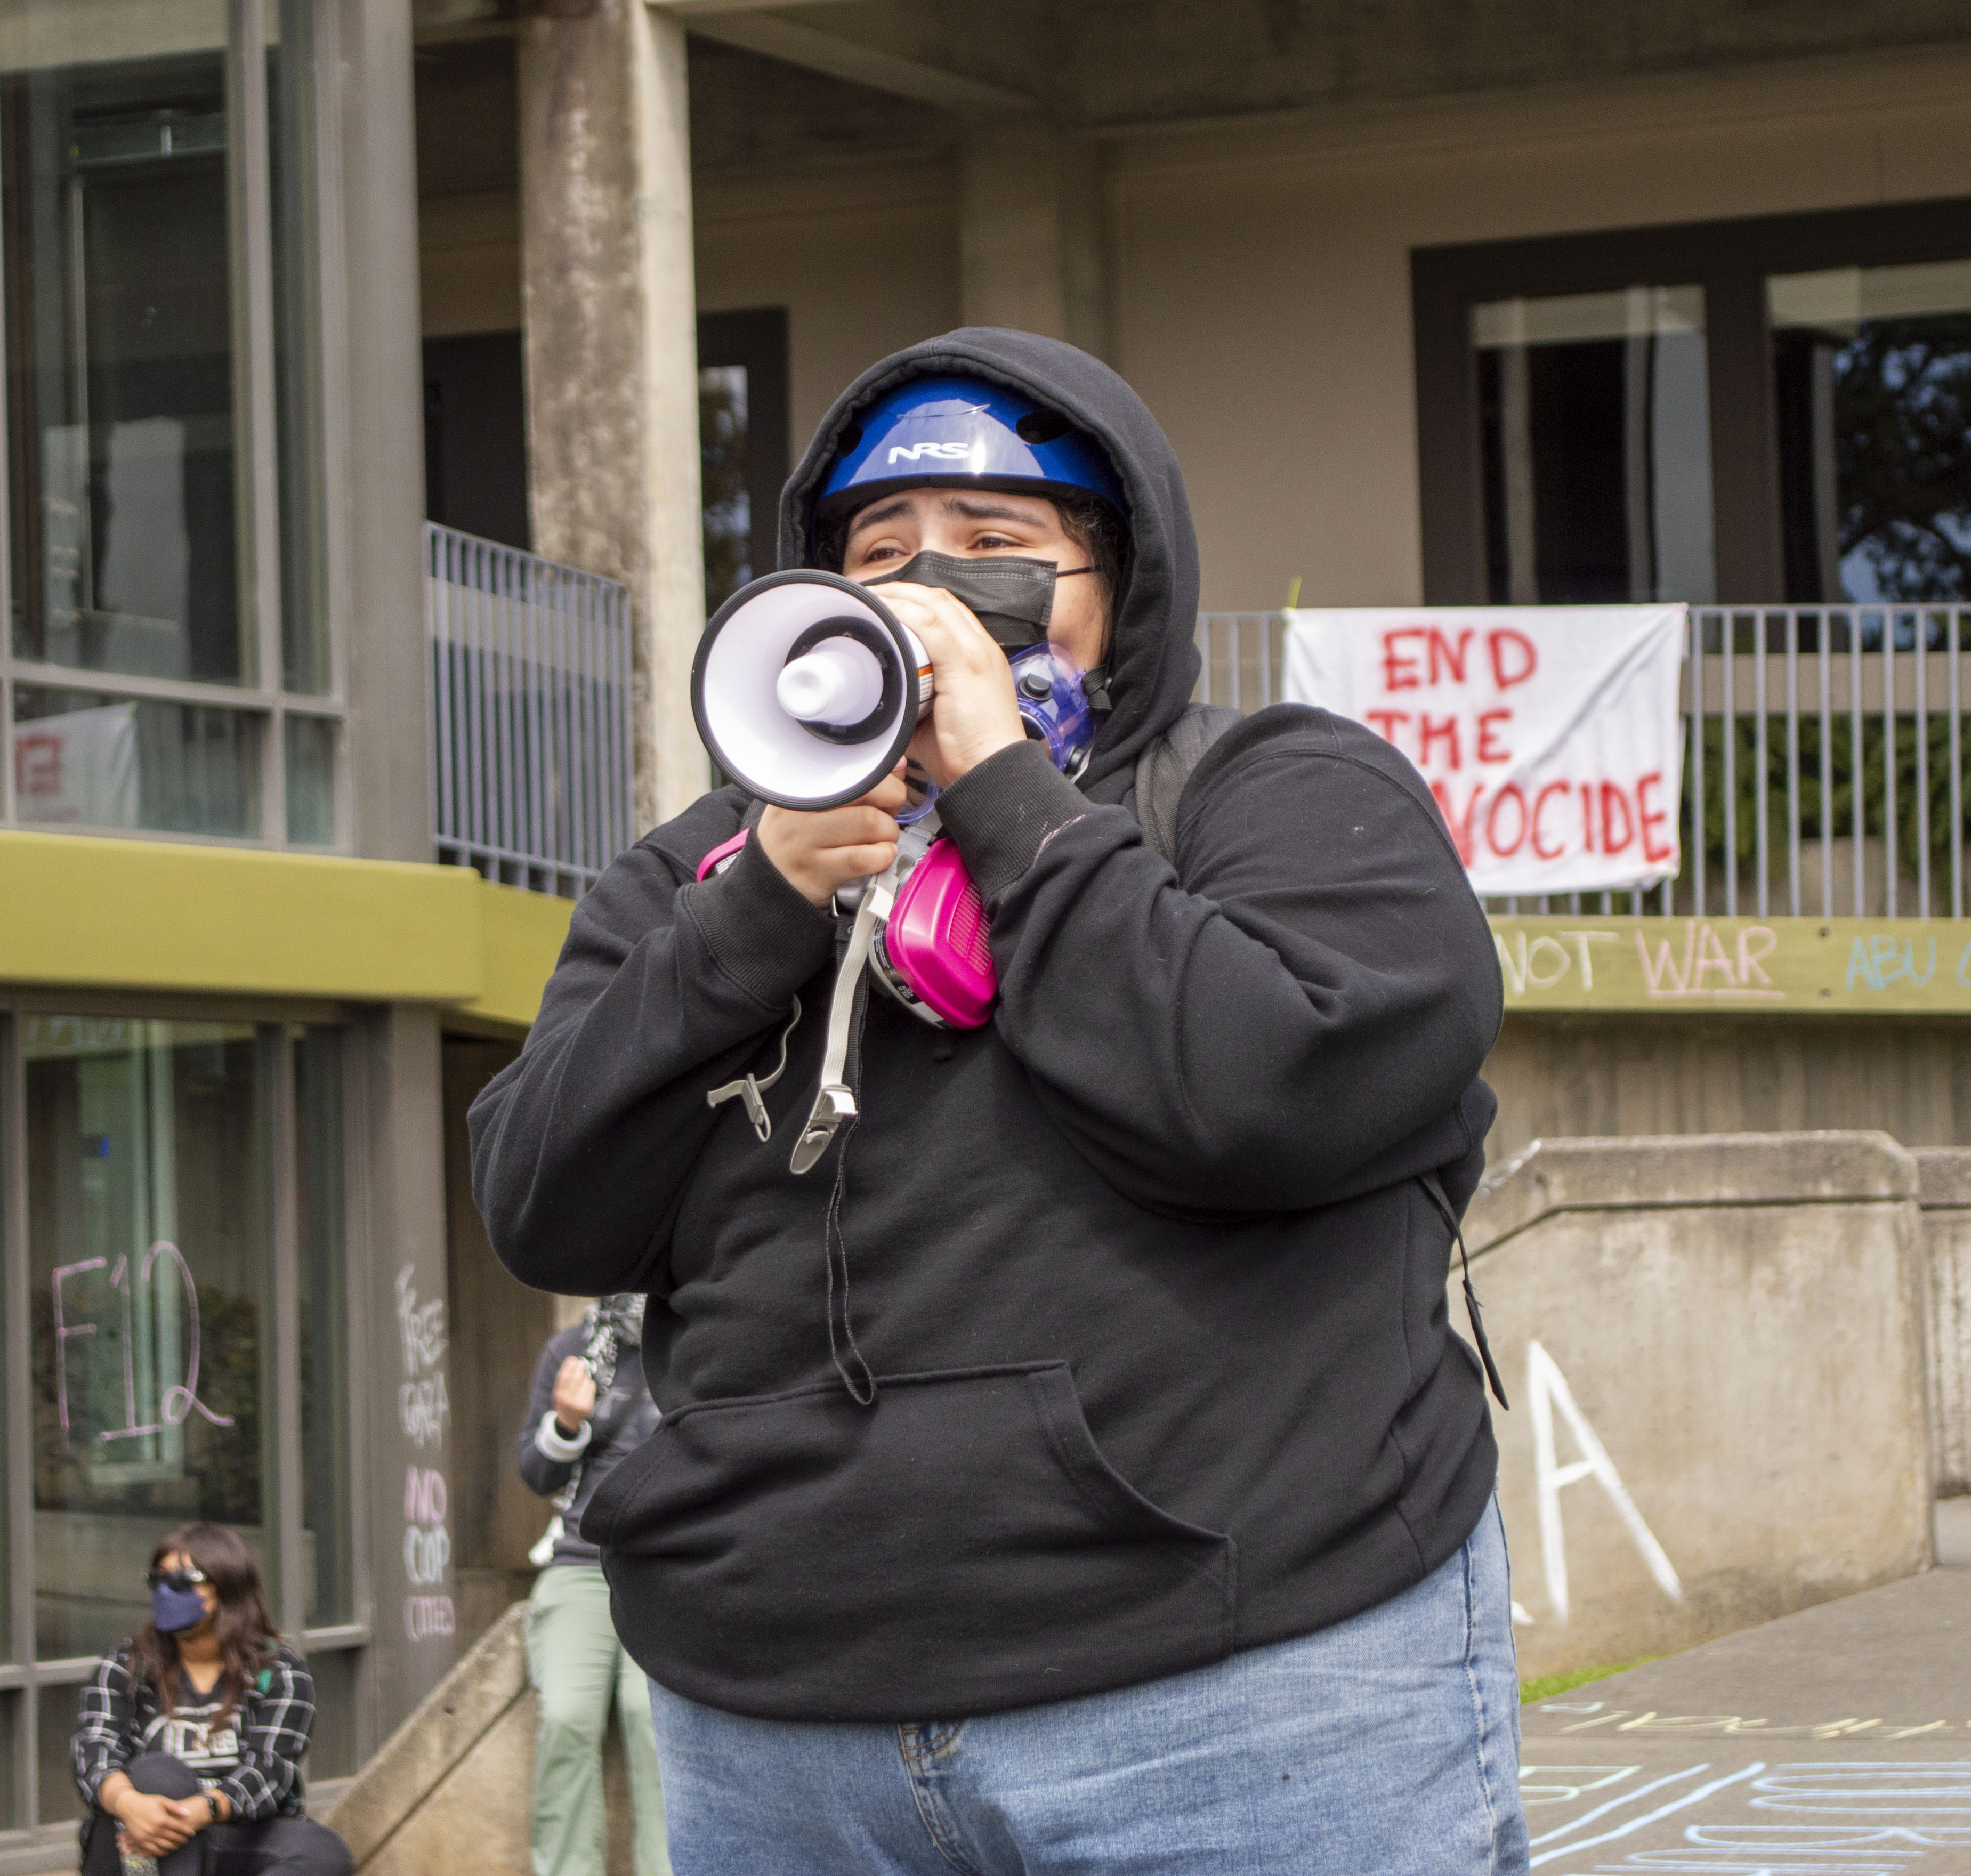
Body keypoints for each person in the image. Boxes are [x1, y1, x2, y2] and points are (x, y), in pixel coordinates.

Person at [470, 331, 1518, 1875]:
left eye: (995, 545)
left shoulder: (1275, 793)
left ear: (1120, 585)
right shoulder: (701, 876)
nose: (929, 590)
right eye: (878, 555)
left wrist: (1011, 803)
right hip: (780, 1740)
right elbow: (540, 1204)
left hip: (1245, 1700)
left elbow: (1273, 1094)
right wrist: (746, 923)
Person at [69, 1523, 351, 1876]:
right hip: (137, 1839)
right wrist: (129, 1804)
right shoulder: (127, 1666)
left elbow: (271, 1770)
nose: (167, 1593)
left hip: (232, 1829)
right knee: (159, 1774)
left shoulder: (279, 1672)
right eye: (159, 1580)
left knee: (324, 1851)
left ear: (227, 1587)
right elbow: (94, 1748)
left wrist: (202, 1810)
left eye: (183, 1582)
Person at [515, 1295, 669, 1876]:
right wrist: (566, 1423)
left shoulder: (694, 1342)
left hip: (667, 1567)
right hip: (581, 1565)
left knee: (650, 1717)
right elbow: (535, 1472)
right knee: (567, 1717)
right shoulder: (573, 1350)